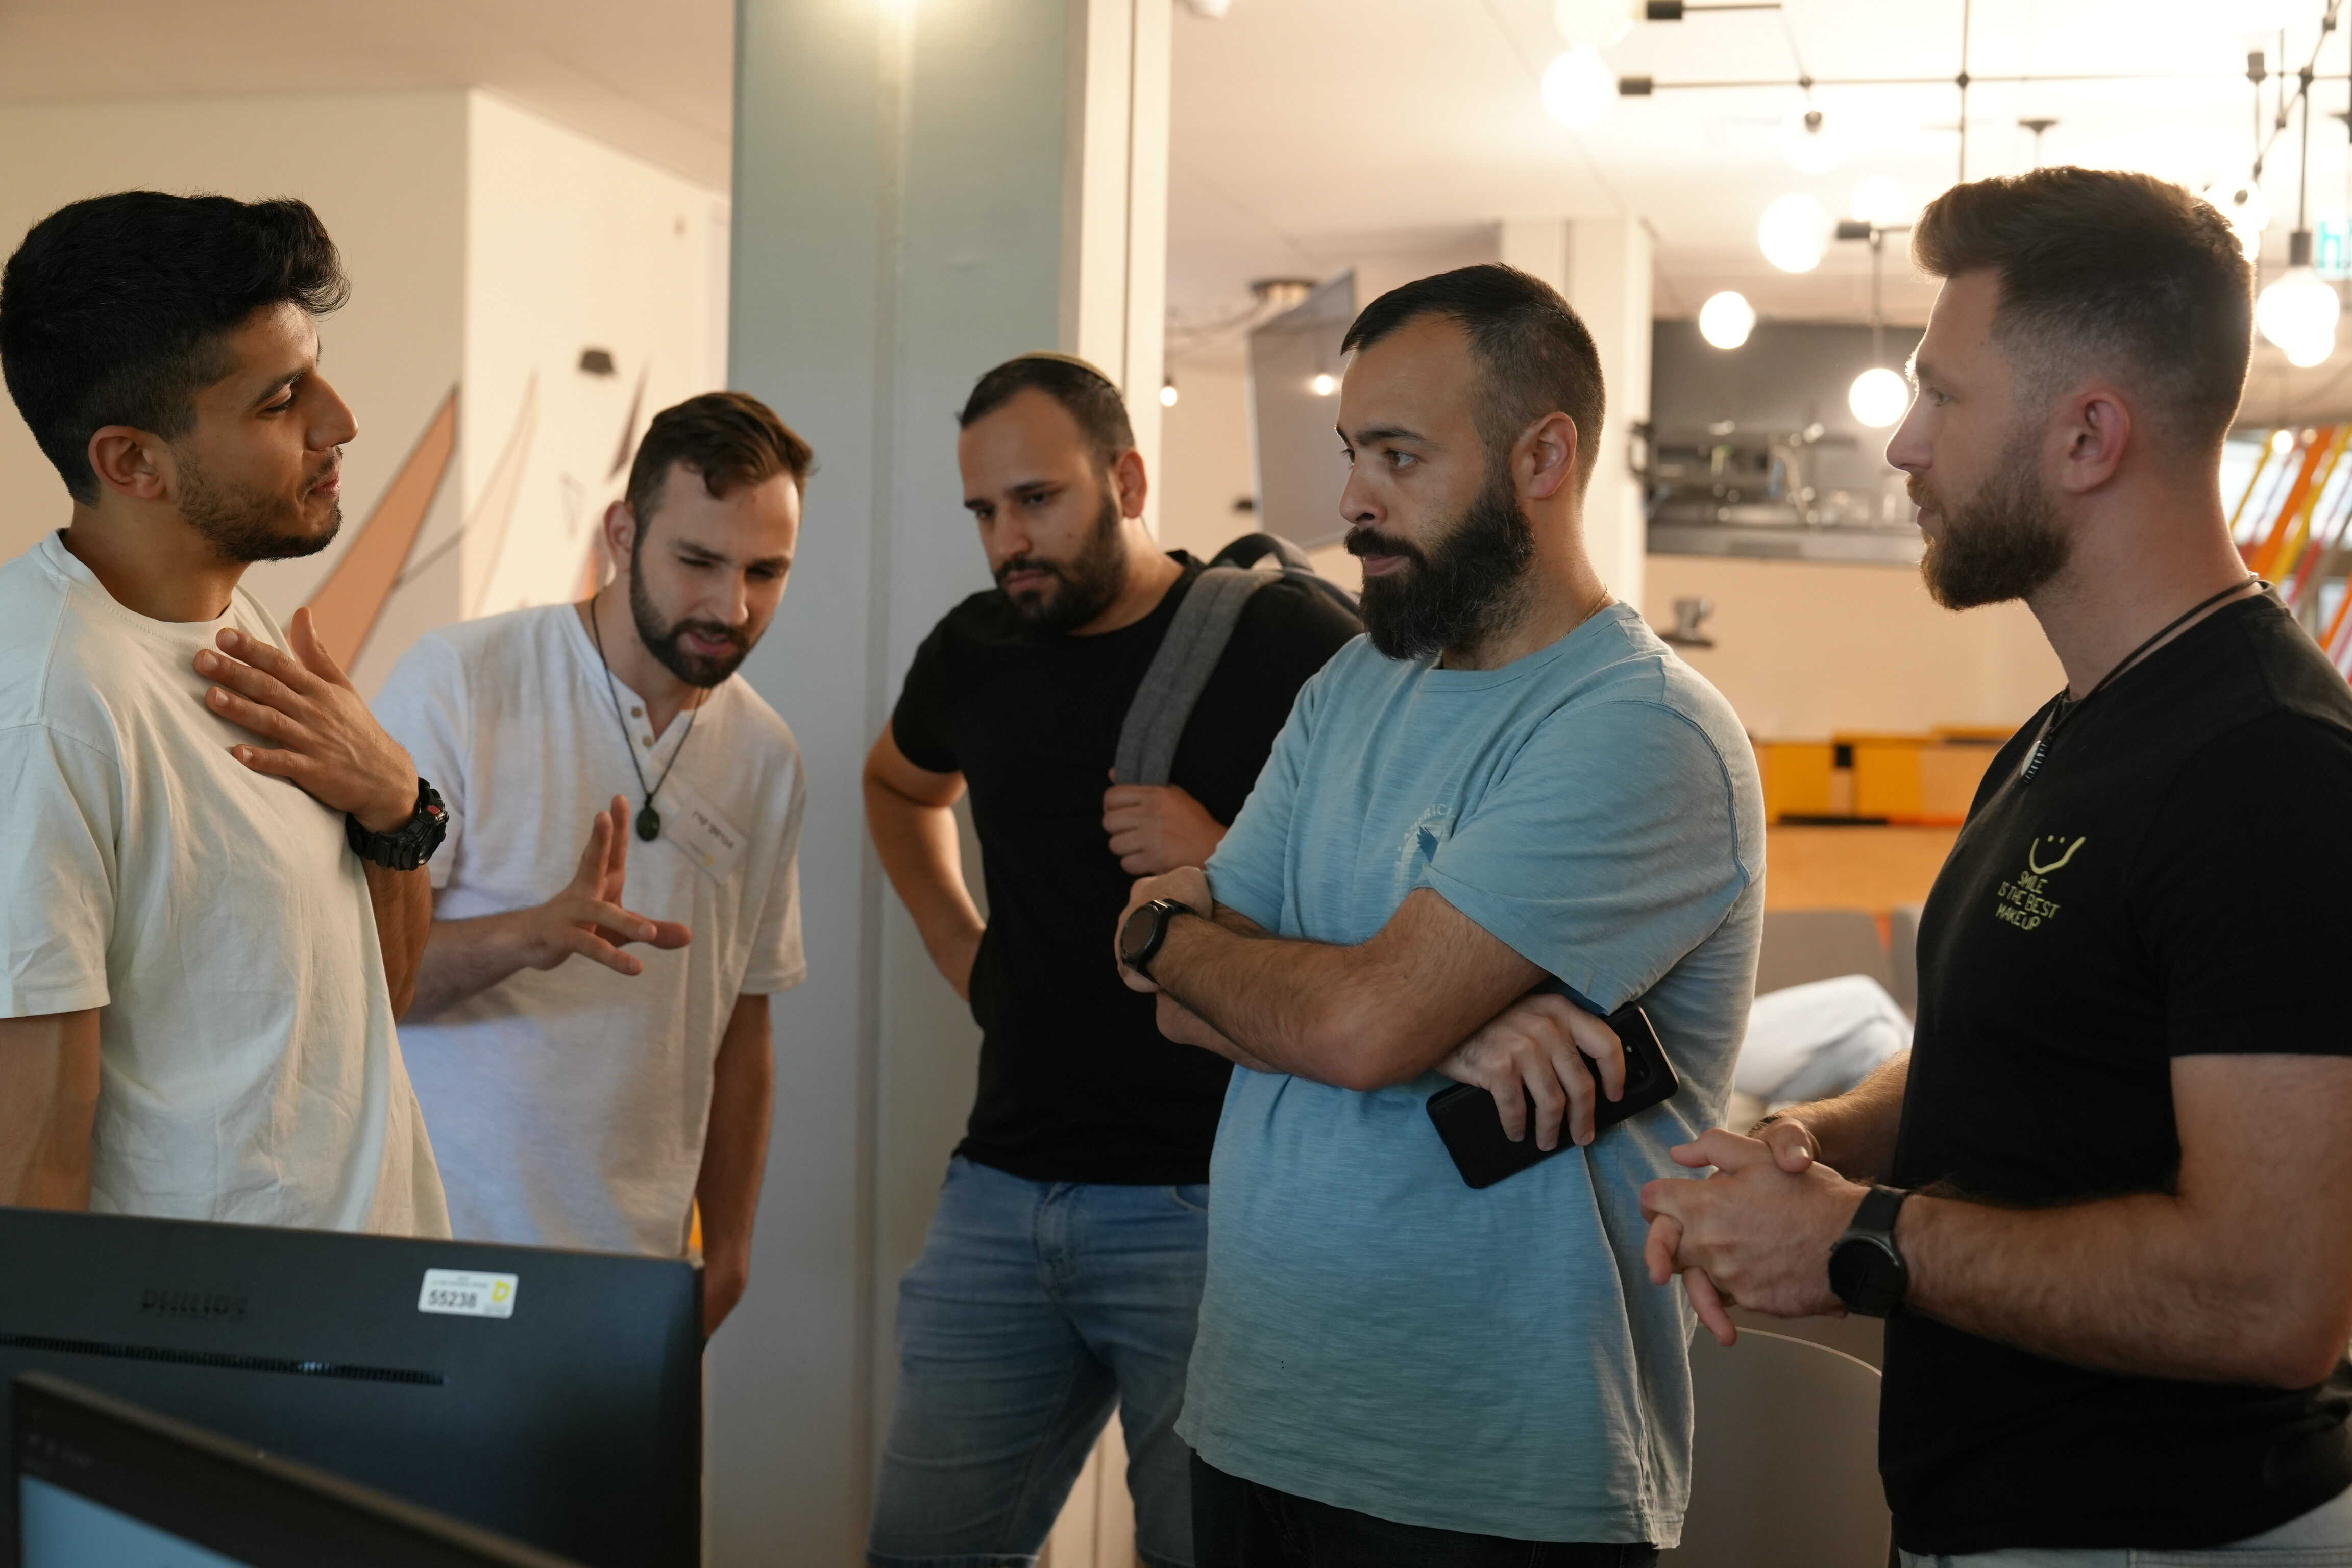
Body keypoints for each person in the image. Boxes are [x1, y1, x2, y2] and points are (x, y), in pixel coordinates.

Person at [1639, 168, 2352, 1566]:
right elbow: (2023, 1056)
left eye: (1943, 396)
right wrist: (1816, 1148)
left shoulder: (2271, 767)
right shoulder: (2070, 730)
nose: (1903, 445)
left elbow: (2271, 1300)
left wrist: (1860, 1237)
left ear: (2088, 436)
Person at [1113, 264, 1764, 1566]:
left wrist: (1174, 936)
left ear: (1543, 457)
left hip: (1491, 1475)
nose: (1354, 500)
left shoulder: (1642, 731)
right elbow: (1190, 1007)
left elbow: (1348, 1026)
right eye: (1352, 452)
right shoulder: (1353, 689)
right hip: (1255, 1417)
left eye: (1400, 456)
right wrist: (1408, 1015)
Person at [862, 353, 1360, 1568]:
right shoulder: (975, 648)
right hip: (1000, 1189)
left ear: (1127, 481)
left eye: (1037, 500)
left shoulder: (1287, 640)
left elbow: (1398, 884)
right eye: (985, 511)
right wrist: (961, 947)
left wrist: (1221, 852)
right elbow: (897, 783)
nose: (1007, 541)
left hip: (1211, 1207)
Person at [0, 191, 448, 1231]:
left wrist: (396, 810)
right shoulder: (47, 711)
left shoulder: (232, 624)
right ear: (132, 462)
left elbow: (359, 1014)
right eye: (281, 400)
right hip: (203, 1326)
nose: (340, 422)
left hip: (345, 1300)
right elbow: (30, 1165)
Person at [372, 391, 809, 1336]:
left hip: (637, 1274)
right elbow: (359, 981)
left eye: (765, 572)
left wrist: (730, 1250)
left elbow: (744, 1019)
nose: (731, 607)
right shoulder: (463, 681)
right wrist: (528, 937)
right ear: (622, 533)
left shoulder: (766, 756)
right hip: (439, 1251)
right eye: (698, 562)